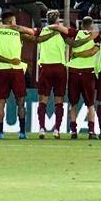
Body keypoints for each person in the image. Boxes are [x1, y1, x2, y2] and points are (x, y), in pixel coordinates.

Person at [0, 10, 41, 139]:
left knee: (0, 102)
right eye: (15, 21)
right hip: (16, 70)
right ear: (11, 22)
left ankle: (0, 133)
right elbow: (36, 38)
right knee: (21, 102)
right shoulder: (18, 32)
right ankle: (22, 133)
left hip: (1, 70)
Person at [33, 11, 70, 139]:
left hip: (45, 67)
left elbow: (34, 38)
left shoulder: (42, 31)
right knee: (59, 100)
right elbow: (73, 42)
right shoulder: (62, 32)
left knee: (43, 100)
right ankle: (57, 130)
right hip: (59, 67)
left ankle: (41, 129)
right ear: (57, 20)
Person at [65, 17, 100, 138]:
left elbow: (69, 40)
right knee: (90, 104)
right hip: (87, 71)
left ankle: (73, 131)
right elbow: (92, 52)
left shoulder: (75, 33)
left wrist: (76, 54)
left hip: (73, 70)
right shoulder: (96, 36)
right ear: (92, 25)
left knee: (73, 103)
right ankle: (91, 131)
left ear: (81, 25)